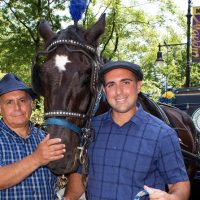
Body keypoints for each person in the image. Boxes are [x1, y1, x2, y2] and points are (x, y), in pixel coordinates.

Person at [63, 60, 190, 200]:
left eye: (126, 82)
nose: (119, 91)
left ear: (138, 86)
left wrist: (172, 198)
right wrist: (68, 198)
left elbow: (179, 184)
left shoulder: (163, 134)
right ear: (104, 91)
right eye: (111, 85)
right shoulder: (91, 129)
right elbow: (82, 173)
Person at [0, 73, 66, 199]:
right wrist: (36, 159)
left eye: (22, 100)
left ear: (32, 104)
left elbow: (71, 171)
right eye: (9, 102)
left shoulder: (47, 139)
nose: (17, 108)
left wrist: (68, 197)